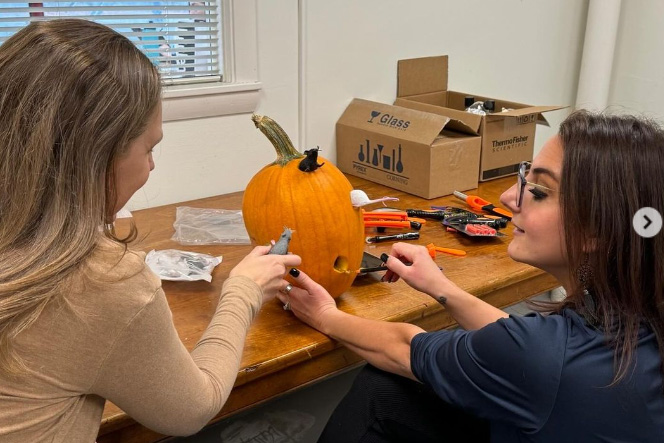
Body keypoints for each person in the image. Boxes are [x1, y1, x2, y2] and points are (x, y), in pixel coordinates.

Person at [279, 110, 664, 442]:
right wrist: (441, 288)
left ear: (597, 231)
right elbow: (522, 351)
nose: (509, 199)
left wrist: (323, 315)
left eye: (540, 191)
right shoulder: (637, 306)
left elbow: (402, 347)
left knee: (381, 386)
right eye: (524, 177)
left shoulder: (545, 357)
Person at [0, 19, 300, 442]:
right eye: (149, 148)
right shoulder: (103, 283)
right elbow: (190, 411)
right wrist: (243, 292)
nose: (152, 166)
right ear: (97, 158)